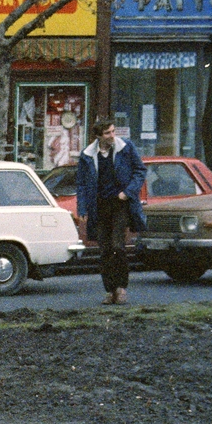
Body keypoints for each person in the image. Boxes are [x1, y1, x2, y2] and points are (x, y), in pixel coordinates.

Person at [76, 121, 147, 305]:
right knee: (105, 250)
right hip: (99, 206)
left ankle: (121, 288)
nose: (112, 135)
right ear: (98, 136)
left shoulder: (125, 148)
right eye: (107, 133)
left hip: (120, 204)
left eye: (113, 131)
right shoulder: (88, 155)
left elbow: (140, 170)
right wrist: (82, 208)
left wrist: (128, 192)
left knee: (117, 246)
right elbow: (82, 183)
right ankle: (109, 290)